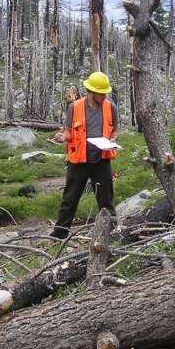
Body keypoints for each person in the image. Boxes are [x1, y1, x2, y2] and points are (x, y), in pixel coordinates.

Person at [51, 71, 119, 238]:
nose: (104, 96)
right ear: (91, 92)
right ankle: (58, 236)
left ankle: (114, 235)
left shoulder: (111, 107)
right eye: (101, 93)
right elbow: (68, 133)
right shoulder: (75, 107)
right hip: (78, 161)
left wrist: (112, 140)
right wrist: (62, 137)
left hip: (101, 160)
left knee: (106, 201)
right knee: (69, 200)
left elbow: (115, 130)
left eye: (105, 93)